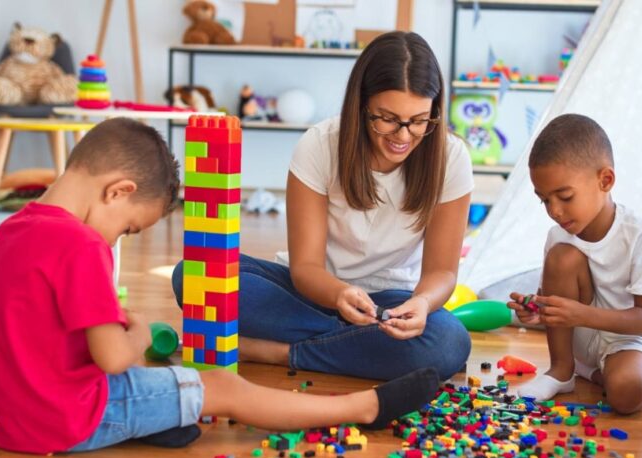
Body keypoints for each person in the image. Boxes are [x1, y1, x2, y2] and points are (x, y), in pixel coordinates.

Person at [0, 117, 440, 455]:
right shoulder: (80, 245)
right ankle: (362, 408)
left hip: (16, 421)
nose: (117, 239)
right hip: (67, 420)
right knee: (222, 386)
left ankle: (164, 416)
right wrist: (136, 330)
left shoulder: (9, 232)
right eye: (130, 230)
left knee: (172, 385)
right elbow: (115, 359)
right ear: (120, 191)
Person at [173, 31, 473, 382]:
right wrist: (339, 294)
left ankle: (279, 352)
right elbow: (307, 268)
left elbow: (442, 272)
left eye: (419, 120)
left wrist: (421, 304)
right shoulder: (320, 144)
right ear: (361, 105)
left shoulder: (450, 157)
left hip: (391, 304)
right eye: (388, 118)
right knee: (193, 275)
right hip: (312, 293)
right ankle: (357, 346)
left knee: (448, 341)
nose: (403, 136)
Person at [506, 114, 642, 413]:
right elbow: (555, 305)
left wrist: (580, 314)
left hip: (629, 339)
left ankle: (593, 373)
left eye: (565, 196)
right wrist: (536, 309)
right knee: (562, 256)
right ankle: (562, 371)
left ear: (605, 180)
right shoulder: (558, 237)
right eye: (544, 200)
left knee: (628, 394)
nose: (554, 211)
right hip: (580, 336)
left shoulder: (640, 236)